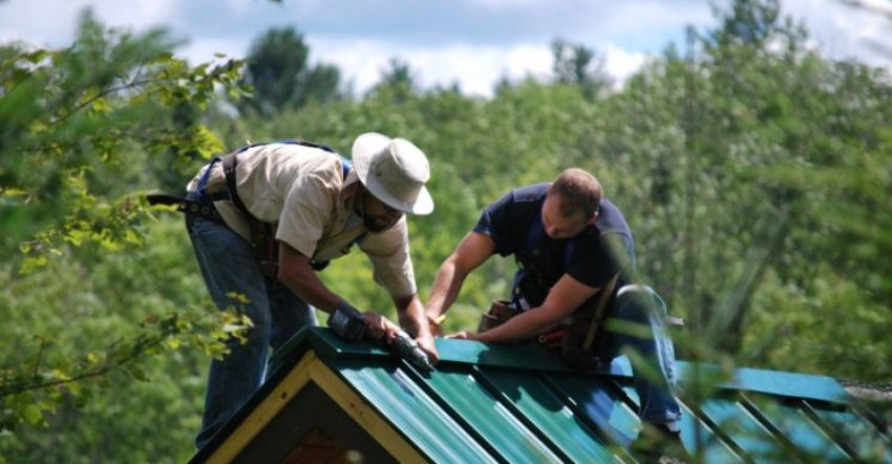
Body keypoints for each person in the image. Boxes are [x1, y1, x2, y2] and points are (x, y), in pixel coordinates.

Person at [182, 132, 439, 449]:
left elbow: (406, 299)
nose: (393, 215)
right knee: (251, 323)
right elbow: (291, 270)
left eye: (400, 208)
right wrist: (356, 317)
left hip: (272, 239)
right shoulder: (318, 183)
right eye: (387, 203)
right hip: (222, 213)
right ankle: (221, 446)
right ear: (364, 186)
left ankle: (274, 440)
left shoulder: (386, 224)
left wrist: (423, 340)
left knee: (303, 342)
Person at [425, 168, 682, 449]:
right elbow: (458, 263)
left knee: (641, 299)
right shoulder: (518, 207)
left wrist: (479, 340)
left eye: (562, 230)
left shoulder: (607, 239)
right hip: (532, 313)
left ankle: (662, 426)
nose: (551, 230)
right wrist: (429, 318)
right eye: (548, 220)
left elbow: (551, 313)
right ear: (547, 193)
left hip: (595, 333)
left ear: (591, 220)